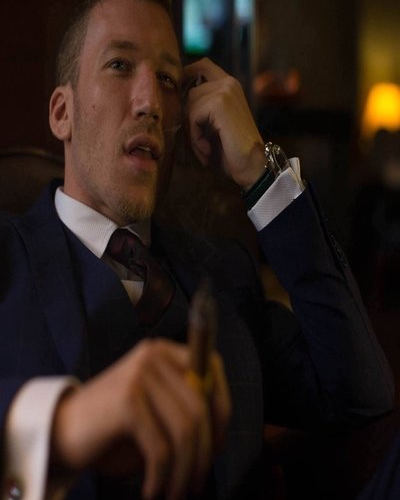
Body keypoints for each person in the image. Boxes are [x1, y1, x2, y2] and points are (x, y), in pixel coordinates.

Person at [0, 0, 394, 499]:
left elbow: (360, 393)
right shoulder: (8, 257)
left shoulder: (225, 270)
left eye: (168, 80)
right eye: (119, 64)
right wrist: (63, 424)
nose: (151, 102)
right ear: (63, 113)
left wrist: (260, 171)